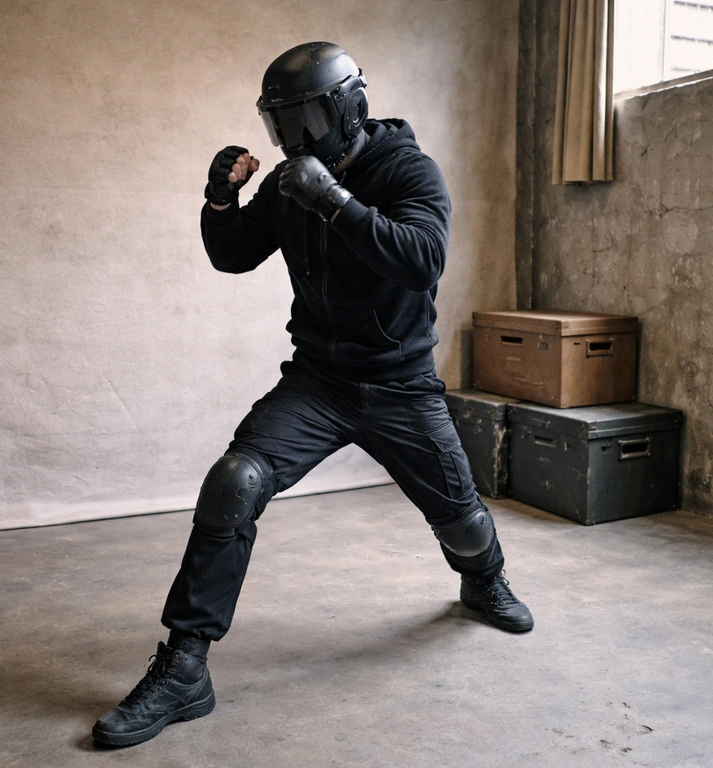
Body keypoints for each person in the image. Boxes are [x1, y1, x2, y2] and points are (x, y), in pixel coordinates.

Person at [93, 41, 533, 748]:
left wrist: (333, 201)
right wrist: (219, 197)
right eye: (282, 124)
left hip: (400, 384)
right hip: (319, 381)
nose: (296, 140)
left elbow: (423, 259)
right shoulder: (294, 181)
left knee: (461, 518)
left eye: (308, 119)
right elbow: (233, 253)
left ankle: (484, 583)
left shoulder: (405, 169)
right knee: (234, 481)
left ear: (348, 107)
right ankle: (184, 670)